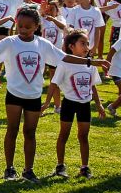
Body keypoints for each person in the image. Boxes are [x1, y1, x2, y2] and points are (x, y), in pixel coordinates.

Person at [0, 6, 106, 181]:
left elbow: (64, 57)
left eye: (28, 27)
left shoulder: (42, 44)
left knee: (30, 132)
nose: (23, 29)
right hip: (14, 95)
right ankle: (9, 169)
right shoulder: (10, 42)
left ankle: (28, 170)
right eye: (20, 25)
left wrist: (91, 61)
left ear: (36, 26)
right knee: (12, 130)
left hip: (34, 96)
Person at [46, 30, 107, 178]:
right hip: (69, 104)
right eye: (83, 43)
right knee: (64, 135)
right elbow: (54, 84)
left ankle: (84, 167)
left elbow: (93, 86)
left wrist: (99, 104)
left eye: (87, 43)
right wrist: (47, 102)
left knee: (83, 136)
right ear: (71, 46)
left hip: (84, 105)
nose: (87, 46)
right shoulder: (65, 64)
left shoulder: (90, 64)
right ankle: (60, 166)